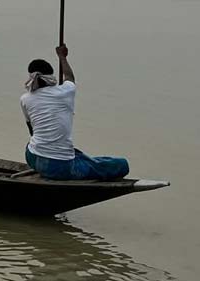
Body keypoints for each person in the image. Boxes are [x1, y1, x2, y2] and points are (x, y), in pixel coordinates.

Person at [20, 44, 129, 181]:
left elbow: (32, 132)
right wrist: (62, 57)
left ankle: (51, 162)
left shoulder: (25, 99)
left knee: (75, 154)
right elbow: (69, 77)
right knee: (122, 165)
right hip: (61, 167)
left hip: (32, 156)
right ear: (50, 76)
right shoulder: (65, 91)